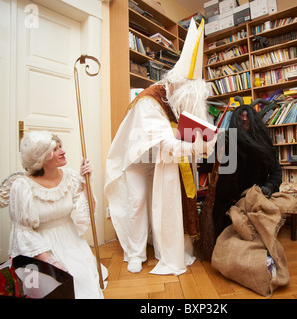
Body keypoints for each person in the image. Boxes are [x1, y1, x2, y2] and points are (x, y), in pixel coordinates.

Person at [104, 19, 216, 275]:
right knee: (138, 202)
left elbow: (184, 132)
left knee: (164, 202)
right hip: (137, 161)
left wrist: (206, 141)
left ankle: (163, 247)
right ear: (176, 88)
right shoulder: (149, 101)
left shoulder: (174, 100)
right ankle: (135, 254)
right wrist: (194, 147)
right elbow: (164, 141)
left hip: (162, 161)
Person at [0, 131, 108, 299]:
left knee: (83, 284)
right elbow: (23, 232)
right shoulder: (23, 186)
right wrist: (50, 262)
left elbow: (88, 213)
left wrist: (86, 182)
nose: (63, 151)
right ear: (41, 157)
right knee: (58, 285)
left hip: (71, 242)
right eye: (56, 149)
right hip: (41, 247)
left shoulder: (70, 177)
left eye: (61, 146)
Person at [212, 100, 283, 238]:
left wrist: (269, 186)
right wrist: (215, 145)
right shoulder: (225, 139)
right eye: (241, 116)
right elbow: (209, 167)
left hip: (255, 200)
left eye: (247, 116)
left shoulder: (264, 143)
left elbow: (276, 171)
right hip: (227, 204)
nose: (244, 119)